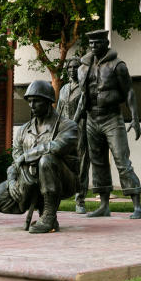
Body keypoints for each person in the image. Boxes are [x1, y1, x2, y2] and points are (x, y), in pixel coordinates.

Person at [0, 80, 78, 233]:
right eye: (30, 101)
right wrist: (11, 181)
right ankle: (35, 204)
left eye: (37, 101)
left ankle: (48, 215)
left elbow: (57, 147)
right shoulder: (23, 130)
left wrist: (27, 155)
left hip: (64, 180)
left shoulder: (68, 126)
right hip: (30, 178)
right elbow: (16, 160)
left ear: (49, 102)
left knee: (47, 159)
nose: (32, 105)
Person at [75, 29, 141, 219]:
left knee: (122, 161)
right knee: (98, 163)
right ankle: (104, 205)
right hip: (91, 118)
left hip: (112, 117)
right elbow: (82, 95)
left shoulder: (118, 65)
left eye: (97, 43)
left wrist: (135, 118)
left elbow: (129, 91)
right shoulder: (83, 67)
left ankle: (137, 206)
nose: (93, 46)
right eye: (90, 44)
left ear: (106, 43)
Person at [57, 57, 90, 214]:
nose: (71, 69)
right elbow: (58, 111)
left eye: (75, 67)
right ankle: (56, 196)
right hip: (64, 131)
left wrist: (72, 125)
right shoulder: (63, 89)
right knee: (61, 162)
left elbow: (81, 108)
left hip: (79, 130)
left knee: (82, 164)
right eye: (69, 67)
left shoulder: (84, 88)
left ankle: (80, 199)